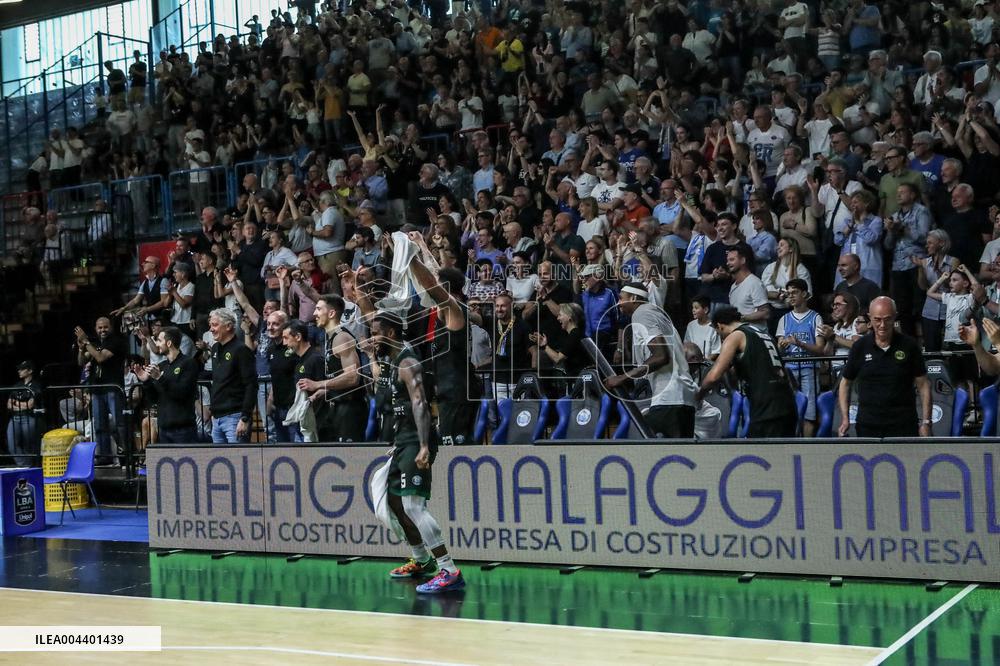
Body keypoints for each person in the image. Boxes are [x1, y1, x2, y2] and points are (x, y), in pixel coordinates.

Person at [372, 312, 465, 593]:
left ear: (389, 334)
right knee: (393, 502)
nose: (371, 339)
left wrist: (423, 445)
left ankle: (448, 570)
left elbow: (421, 404)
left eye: (375, 333)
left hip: (416, 440)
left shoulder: (408, 362)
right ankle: (422, 560)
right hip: (404, 441)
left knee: (413, 506)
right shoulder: (391, 360)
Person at [608, 284, 698, 438]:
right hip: (683, 397)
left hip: (670, 396)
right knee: (681, 455)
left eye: (621, 298)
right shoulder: (657, 314)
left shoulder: (642, 313)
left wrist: (622, 377)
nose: (618, 303)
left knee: (641, 442)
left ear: (634, 298)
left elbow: (661, 356)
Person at [696, 306, 798, 438]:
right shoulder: (763, 334)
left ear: (720, 326)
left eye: (718, 333)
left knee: (762, 454)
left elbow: (713, 377)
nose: (720, 338)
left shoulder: (735, 336)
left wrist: (698, 396)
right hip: (787, 403)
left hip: (767, 407)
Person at [409, 262, 481, 446]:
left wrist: (410, 259)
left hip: (457, 389)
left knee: (457, 450)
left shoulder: (452, 308)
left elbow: (430, 283)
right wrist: (422, 245)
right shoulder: (453, 306)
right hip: (450, 388)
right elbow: (436, 275)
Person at [838, 296, 932, 438]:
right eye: (877, 319)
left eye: (887, 319)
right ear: (870, 318)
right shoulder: (860, 347)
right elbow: (845, 383)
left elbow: (923, 385)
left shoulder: (910, 345)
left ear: (895, 317)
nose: (882, 325)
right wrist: (845, 418)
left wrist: (926, 422)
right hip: (868, 425)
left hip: (903, 424)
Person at [775, 279, 825, 437]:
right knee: (790, 411)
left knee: (809, 412)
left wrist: (800, 343)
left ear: (804, 293)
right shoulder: (784, 319)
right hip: (790, 370)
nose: (791, 296)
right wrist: (781, 346)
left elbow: (820, 348)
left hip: (809, 367)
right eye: (788, 293)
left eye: (794, 292)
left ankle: (807, 445)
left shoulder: (815, 317)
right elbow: (779, 350)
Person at [74, 317, 127, 464]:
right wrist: (80, 348)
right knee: (99, 426)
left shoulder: (116, 341)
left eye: (105, 327)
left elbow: (100, 358)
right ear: (96, 329)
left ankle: (127, 456)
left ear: (110, 327)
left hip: (112, 388)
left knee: (119, 425)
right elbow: (81, 361)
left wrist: (86, 342)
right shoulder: (95, 344)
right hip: (97, 390)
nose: (102, 330)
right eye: (99, 328)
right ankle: (105, 456)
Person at [133, 326, 199, 443]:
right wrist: (146, 381)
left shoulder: (188, 363)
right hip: (164, 428)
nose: (157, 344)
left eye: (159, 340)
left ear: (169, 343)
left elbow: (181, 393)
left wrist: (160, 378)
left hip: (183, 429)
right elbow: (153, 398)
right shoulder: (162, 366)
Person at [206, 308, 257, 443]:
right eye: (210, 325)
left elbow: (251, 385)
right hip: (217, 418)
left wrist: (245, 417)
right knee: (219, 463)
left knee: (238, 462)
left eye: (215, 325)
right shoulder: (215, 348)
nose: (211, 329)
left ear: (228, 326)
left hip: (235, 417)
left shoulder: (241, 350)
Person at [283, 319, 326, 442]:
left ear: (298, 337)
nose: (284, 343)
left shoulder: (316, 359)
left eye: (286, 338)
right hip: (303, 422)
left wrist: (313, 398)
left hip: (317, 422)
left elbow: (327, 388)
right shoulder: (299, 360)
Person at [6, 361, 41, 466]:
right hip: (15, 418)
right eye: (19, 369)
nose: (19, 371)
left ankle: (31, 467)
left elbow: (30, 405)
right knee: (12, 444)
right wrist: (22, 406)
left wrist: (16, 403)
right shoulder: (17, 385)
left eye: (22, 369)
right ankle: (24, 465)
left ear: (30, 371)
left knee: (29, 445)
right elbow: (8, 404)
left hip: (29, 418)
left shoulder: (36, 385)